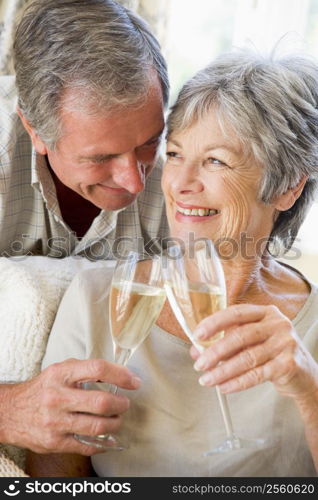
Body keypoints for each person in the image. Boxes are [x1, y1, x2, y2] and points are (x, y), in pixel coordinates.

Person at [26, 49, 318, 477]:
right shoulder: (98, 299)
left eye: (216, 161)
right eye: (176, 154)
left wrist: (309, 389)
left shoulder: (307, 334)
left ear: (288, 188)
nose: (179, 184)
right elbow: (52, 477)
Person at [0, 0, 170, 455]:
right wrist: (8, 410)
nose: (135, 181)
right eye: (100, 158)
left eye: (149, 142)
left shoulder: (189, 163)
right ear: (34, 129)